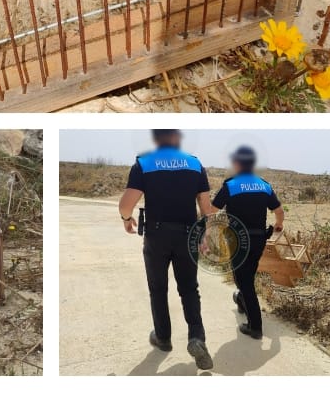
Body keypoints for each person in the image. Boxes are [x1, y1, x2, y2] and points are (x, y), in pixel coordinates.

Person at [118, 129, 214, 370]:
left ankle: (163, 338)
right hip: (188, 235)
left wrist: (125, 218)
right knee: (189, 288)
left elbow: (126, 204)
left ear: (156, 139)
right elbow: (206, 207)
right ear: (178, 138)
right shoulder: (195, 164)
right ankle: (196, 338)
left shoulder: (144, 163)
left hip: (157, 236)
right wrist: (205, 235)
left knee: (158, 289)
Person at [210, 146, 284, 340]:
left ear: (236, 164)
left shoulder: (231, 185)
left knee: (244, 281)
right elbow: (279, 212)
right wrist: (278, 225)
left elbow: (212, 210)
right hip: (259, 239)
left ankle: (255, 327)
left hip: (238, 241)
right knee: (246, 276)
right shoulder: (264, 185)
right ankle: (242, 301)